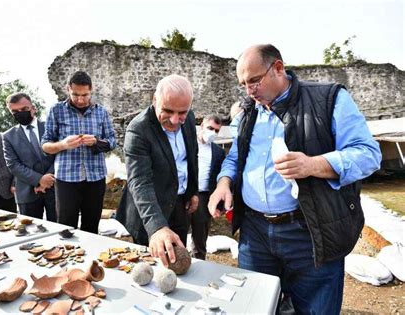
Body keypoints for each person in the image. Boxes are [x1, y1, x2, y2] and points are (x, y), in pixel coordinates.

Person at [208, 44, 381, 314]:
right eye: (243, 84)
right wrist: (224, 183)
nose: (249, 91)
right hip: (255, 234)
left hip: (310, 232)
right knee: (253, 307)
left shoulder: (329, 99)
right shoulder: (248, 110)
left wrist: (314, 164)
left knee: (316, 310)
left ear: (278, 67)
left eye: (254, 80)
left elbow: (368, 154)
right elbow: (236, 157)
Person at [116, 74, 199, 266]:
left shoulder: (190, 119)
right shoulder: (138, 129)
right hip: (150, 211)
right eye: (168, 111)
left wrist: (191, 192)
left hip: (179, 206)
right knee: (151, 270)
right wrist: (157, 227)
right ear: (154, 100)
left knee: (178, 261)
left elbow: (191, 157)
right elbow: (139, 181)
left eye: (182, 113)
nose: (175, 119)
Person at [41, 71, 116, 233]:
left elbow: (112, 142)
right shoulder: (56, 111)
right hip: (66, 179)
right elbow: (45, 145)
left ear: (91, 90)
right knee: (66, 228)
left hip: (95, 178)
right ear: (68, 89)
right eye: (75, 95)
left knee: (91, 227)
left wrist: (96, 141)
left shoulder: (101, 112)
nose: (80, 99)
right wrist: (63, 144)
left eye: (85, 95)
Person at [2, 92, 57, 222]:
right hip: (27, 193)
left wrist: (47, 179)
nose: (20, 113)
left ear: (33, 108)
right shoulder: (7, 136)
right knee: (30, 234)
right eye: (15, 111)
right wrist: (39, 180)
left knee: (61, 232)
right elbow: (13, 165)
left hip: (55, 188)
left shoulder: (52, 128)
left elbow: (61, 154)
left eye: (24, 109)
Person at [190, 114, 225, 260]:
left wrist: (220, 204)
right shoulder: (188, 142)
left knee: (200, 236)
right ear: (202, 125)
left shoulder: (218, 151)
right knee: (177, 229)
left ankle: (199, 265)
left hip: (204, 196)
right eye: (210, 128)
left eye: (217, 131)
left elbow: (220, 178)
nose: (213, 132)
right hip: (184, 193)